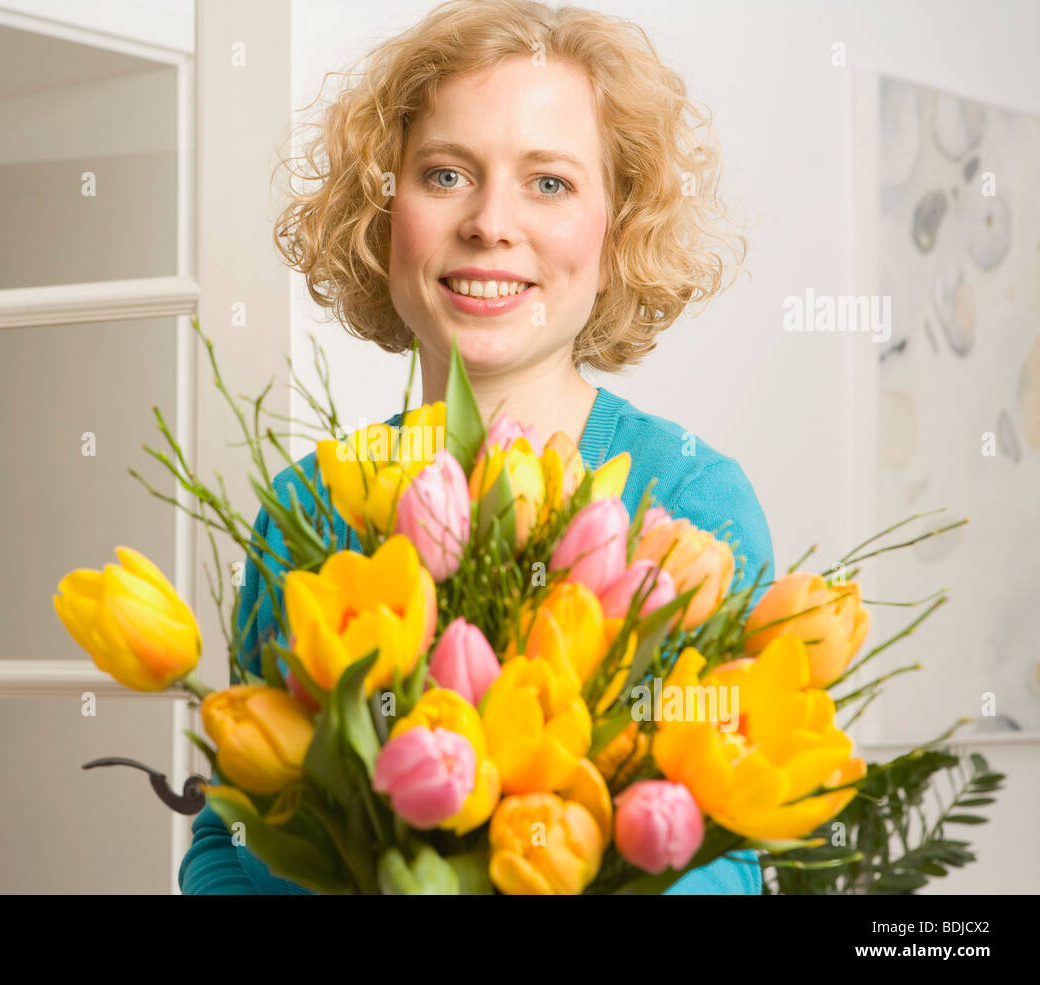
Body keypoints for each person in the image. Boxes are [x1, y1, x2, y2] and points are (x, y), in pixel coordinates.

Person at [179, 0, 771, 895]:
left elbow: (738, 856)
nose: (491, 222)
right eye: (447, 174)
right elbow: (228, 839)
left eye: (550, 183)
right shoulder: (306, 505)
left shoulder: (692, 502)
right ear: (384, 214)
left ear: (619, 228)